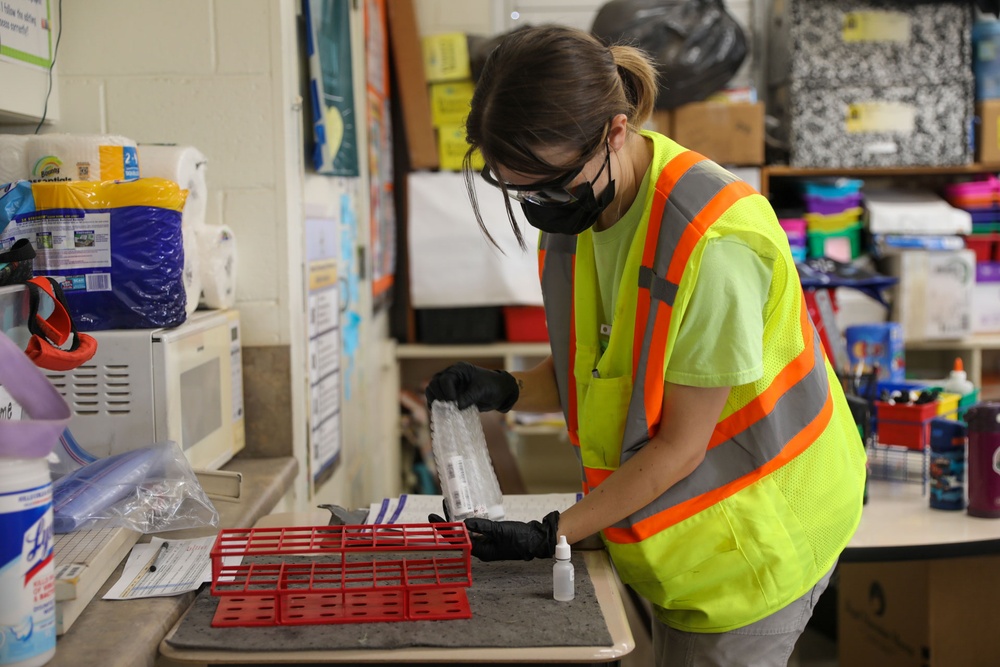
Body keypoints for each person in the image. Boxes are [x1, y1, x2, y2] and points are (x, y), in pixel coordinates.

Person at [425, 25, 866, 667]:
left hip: (753, 542)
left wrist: (550, 534)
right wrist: (510, 387)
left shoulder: (714, 244)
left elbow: (681, 447)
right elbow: (605, 366)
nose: (538, 206)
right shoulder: (585, 204)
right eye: (520, 191)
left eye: (549, 185)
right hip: (671, 538)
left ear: (614, 131)